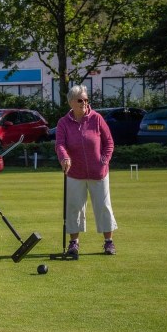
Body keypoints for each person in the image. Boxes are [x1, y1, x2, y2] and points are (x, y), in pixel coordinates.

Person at [55, 85, 117, 258]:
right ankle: (74, 243)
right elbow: (60, 144)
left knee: (103, 206)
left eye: (86, 100)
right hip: (74, 172)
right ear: (71, 102)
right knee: (74, 207)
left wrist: (103, 160)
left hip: (99, 172)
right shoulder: (63, 123)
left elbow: (109, 142)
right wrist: (64, 157)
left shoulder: (97, 119)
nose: (84, 103)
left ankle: (108, 242)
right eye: (80, 100)